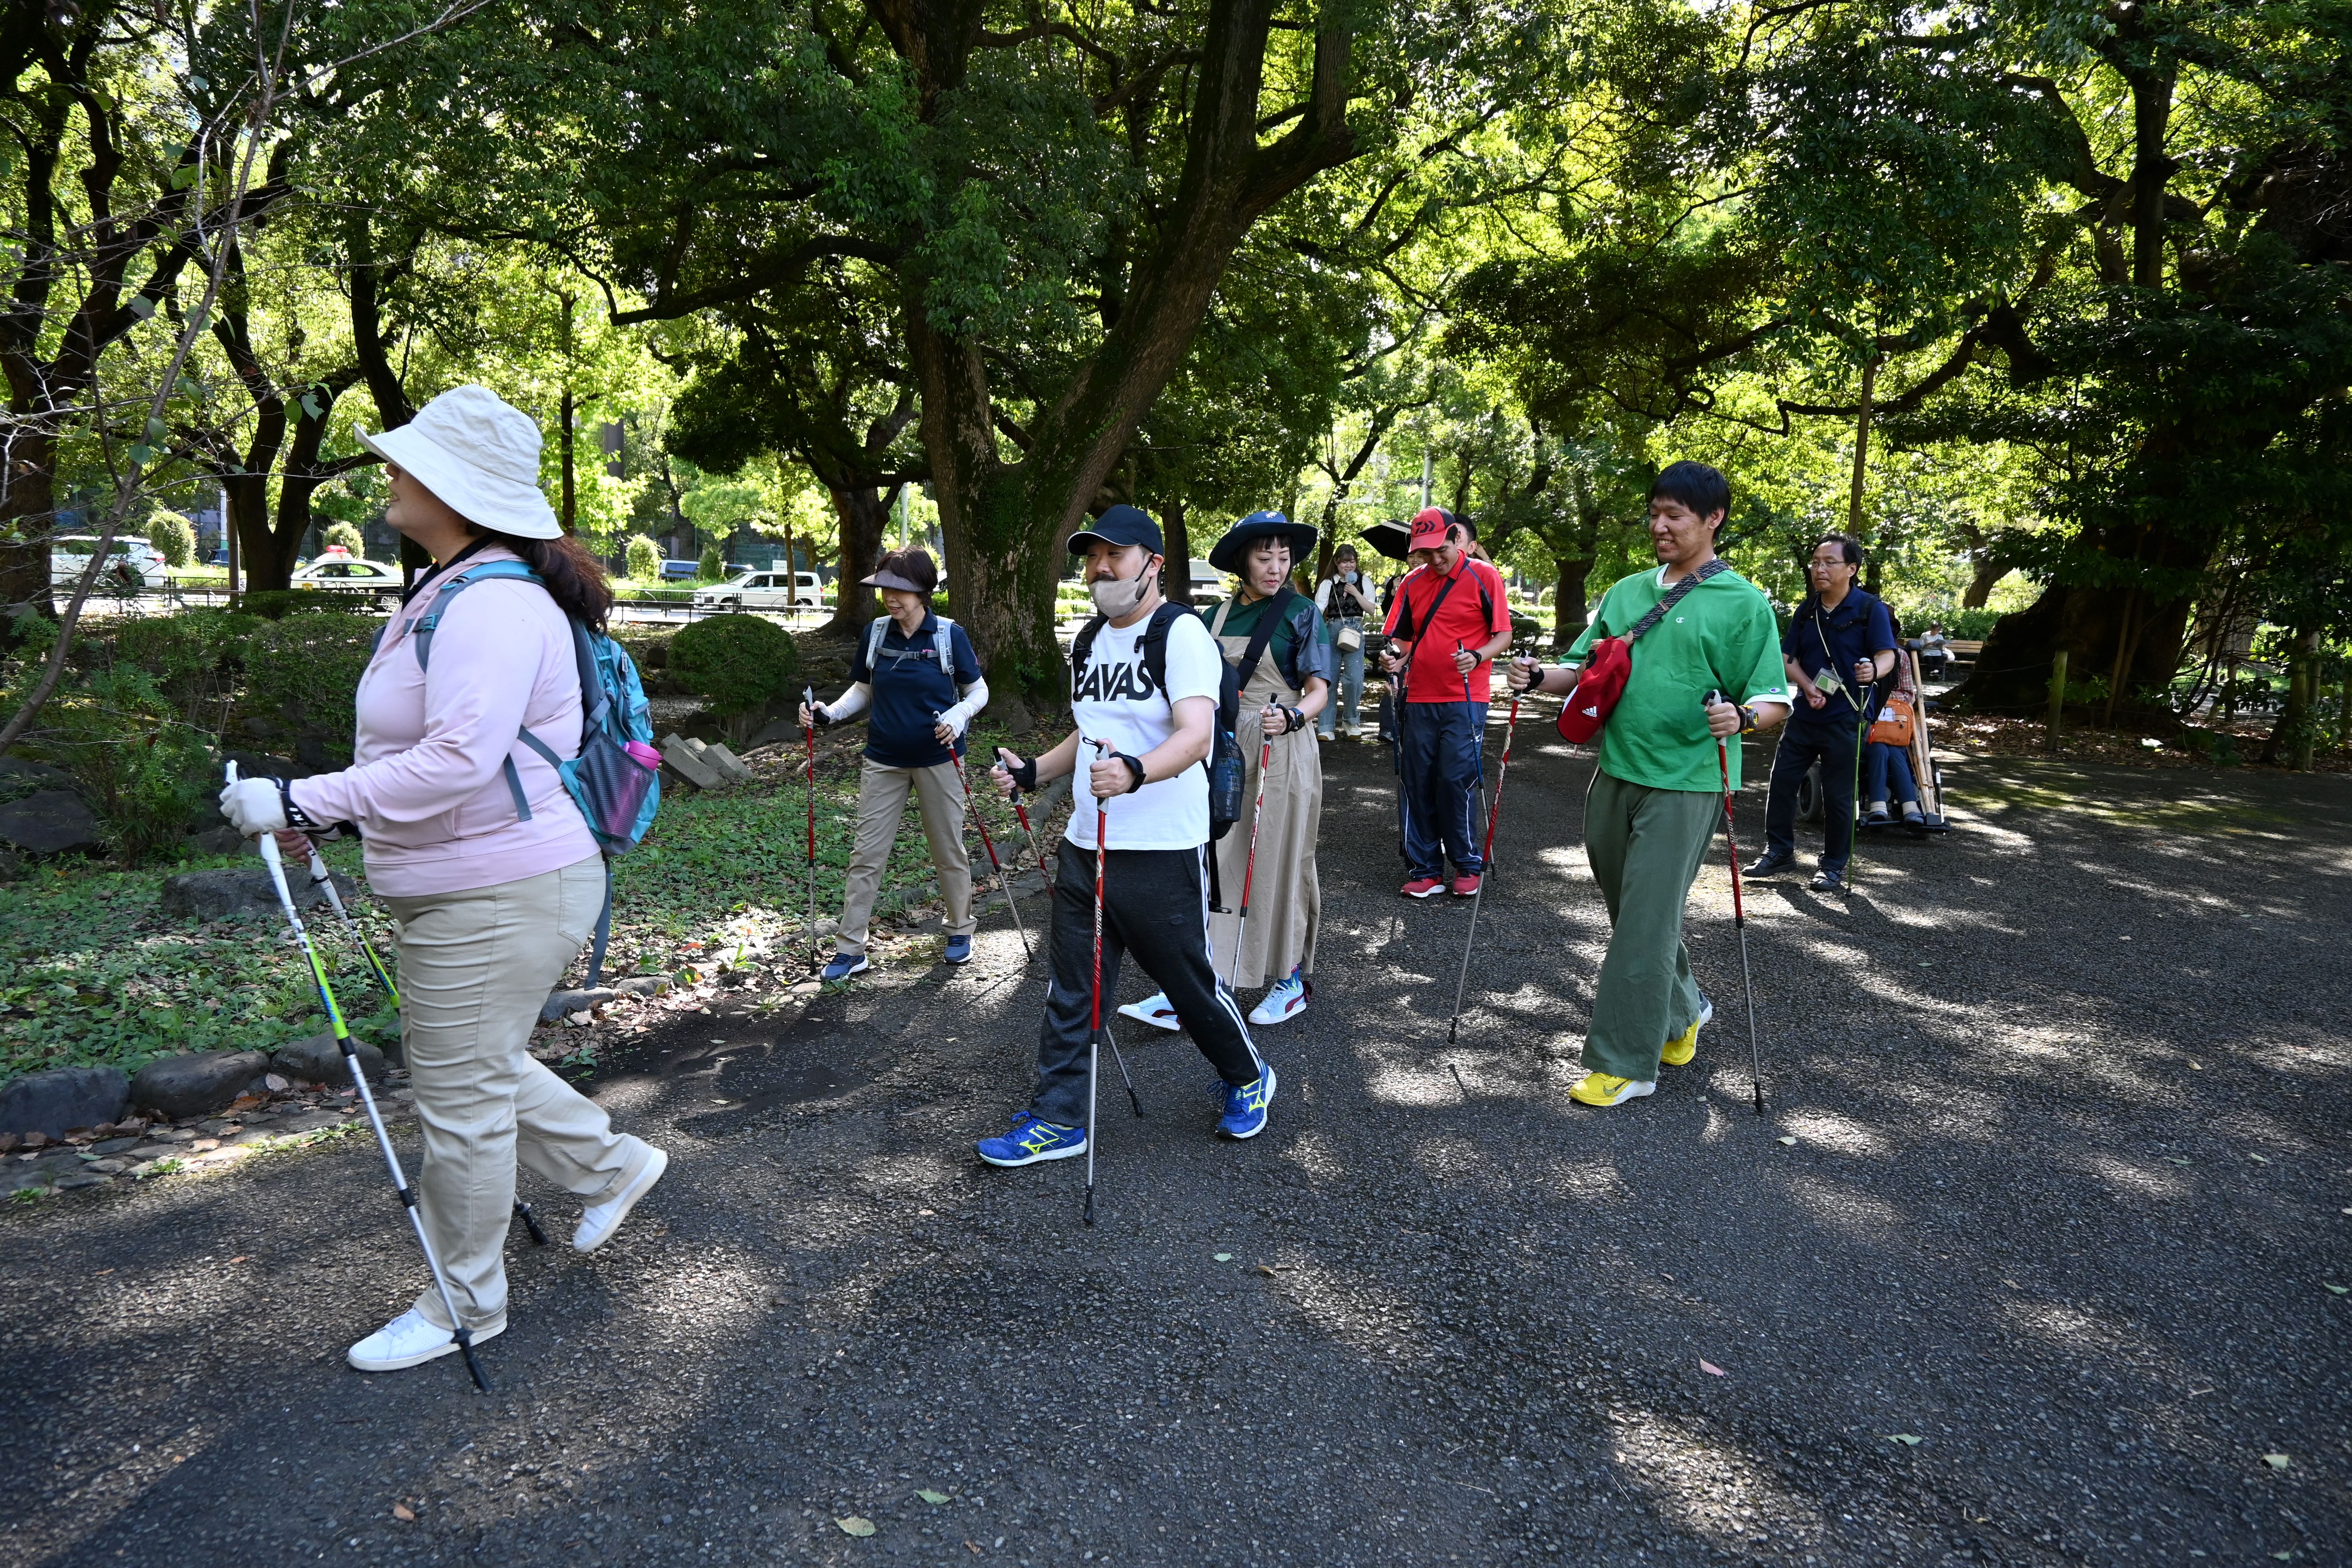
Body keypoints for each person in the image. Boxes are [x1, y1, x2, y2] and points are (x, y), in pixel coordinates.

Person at [215, 384, 668, 1372]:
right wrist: (337, 806)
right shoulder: (450, 587)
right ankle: (614, 1165)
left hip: (500, 890)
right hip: (478, 883)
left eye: (405, 459)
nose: (389, 470)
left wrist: (300, 799)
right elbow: (434, 753)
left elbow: (461, 760)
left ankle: (468, 1300)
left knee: (458, 1100)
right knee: (477, 1069)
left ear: (452, 488)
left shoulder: (495, 602)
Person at [979, 505, 1273, 1167]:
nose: (1100, 568)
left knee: (1188, 986)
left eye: (1115, 555)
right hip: (1088, 844)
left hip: (1164, 848)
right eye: (1091, 558)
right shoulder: (1089, 640)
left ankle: (1248, 1077)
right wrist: (1033, 772)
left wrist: (1137, 771)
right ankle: (1059, 1119)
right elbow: (1089, 733)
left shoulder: (1182, 635)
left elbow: (1195, 734)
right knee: (1073, 989)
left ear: (1153, 564)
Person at [1505, 460, 1791, 1108]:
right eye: (1655, 513)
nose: (1660, 527)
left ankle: (1626, 1062)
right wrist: (1535, 676)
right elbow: (1579, 669)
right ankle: (1682, 1011)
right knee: (1637, 915)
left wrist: (1741, 717)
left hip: (1687, 782)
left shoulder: (1744, 604)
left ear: (1713, 520)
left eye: (1676, 517)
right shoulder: (1629, 591)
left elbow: (1774, 700)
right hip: (1616, 770)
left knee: (1643, 924)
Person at [1123, 511, 1331, 1031]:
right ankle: (1199, 983)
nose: (1276, 567)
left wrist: (1293, 715)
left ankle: (1290, 979)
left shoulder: (1303, 613)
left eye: (1284, 557)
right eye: (1265, 556)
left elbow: (1320, 690)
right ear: (1242, 560)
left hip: (1282, 747)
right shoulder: (1212, 618)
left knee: (1280, 859)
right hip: (1222, 747)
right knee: (1213, 864)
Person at [797, 547, 989, 980]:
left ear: (923, 591)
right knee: (866, 854)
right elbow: (863, 691)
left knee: (948, 850)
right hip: (883, 759)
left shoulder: (949, 635)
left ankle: (960, 929)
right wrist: (830, 713)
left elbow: (978, 692)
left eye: (901, 589)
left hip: (940, 759)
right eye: (885, 587)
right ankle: (851, 949)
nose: (891, 597)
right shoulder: (877, 633)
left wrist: (960, 716)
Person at [1746, 533, 1897, 893]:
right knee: (1781, 782)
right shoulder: (1808, 609)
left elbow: (1888, 655)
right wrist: (1808, 686)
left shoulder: (1869, 609)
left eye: (1829, 562)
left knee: (1839, 796)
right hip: (1805, 715)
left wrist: (1872, 672)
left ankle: (1832, 867)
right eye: (1816, 562)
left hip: (1847, 717)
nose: (1820, 569)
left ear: (1852, 569)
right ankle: (1779, 851)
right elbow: (1785, 660)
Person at [1378, 507, 1513, 898]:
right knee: (1416, 780)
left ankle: (1468, 864)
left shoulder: (1484, 575)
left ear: (1456, 537)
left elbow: (1502, 635)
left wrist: (1479, 655)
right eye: (1425, 553)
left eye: (1440, 549)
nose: (1434, 559)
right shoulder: (1412, 583)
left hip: (1466, 697)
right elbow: (1402, 640)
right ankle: (1425, 869)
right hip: (1418, 694)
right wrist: (1392, 656)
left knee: (1455, 779)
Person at [1314, 544, 1377, 739]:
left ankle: (1351, 722)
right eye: (1344, 562)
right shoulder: (1328, 584)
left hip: (1356, 630)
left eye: (1352, 561)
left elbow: (1371, 609)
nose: (1348, 566)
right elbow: (1319, 610)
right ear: (1337, 563)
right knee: (1329, 679)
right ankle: (1325, 725)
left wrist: (1356, 592)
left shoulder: (1364, 581)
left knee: (1355, 679)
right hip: (1332, 629)